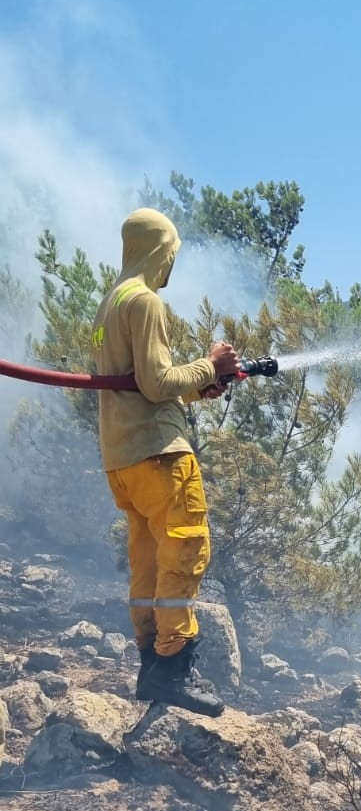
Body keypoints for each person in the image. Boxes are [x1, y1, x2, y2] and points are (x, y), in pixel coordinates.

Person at [90, 207, 239, 716]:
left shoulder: (110, 303)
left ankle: (150, 665)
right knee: (185, 549)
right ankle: (173, 667)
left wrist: (200, 386)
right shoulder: (146, 302)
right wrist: (210, 365)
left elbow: (136, 385)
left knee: (148, 558)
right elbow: (155, 383)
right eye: (172, 252)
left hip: (123, 458)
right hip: (160, 455)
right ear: (162, 250)